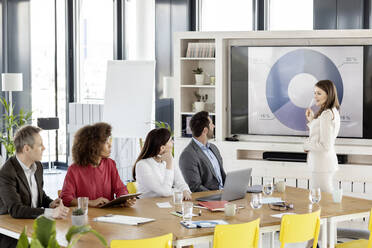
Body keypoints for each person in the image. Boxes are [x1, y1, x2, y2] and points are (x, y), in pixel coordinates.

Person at [0, 125, 69, 247]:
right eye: (40, 145)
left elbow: (40, 195)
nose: (44, 148)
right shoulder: (6, 172)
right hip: (13, 235)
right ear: (27, 149)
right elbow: (16, 210)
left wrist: (51, 203)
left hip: (33, 227)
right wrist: (51, 213)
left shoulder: (38, 167)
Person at [60, 122, 135, 208]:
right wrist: (90, 203)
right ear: (93, 145)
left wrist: (125, 199)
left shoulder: (110, 164)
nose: (110, 145)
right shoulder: (74, 169)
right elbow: (65, 199)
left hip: (109, 215)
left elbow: (120, 189)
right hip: (87, 217)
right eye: (106, 142)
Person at [133, 128, 191, 200]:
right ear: (162, 148)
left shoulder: (170, 159)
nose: (173, 142)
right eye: (170, 140)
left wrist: (185, 190)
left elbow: (181, 182)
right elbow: (165, 192)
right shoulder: (142, 165)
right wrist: (169, 165)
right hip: (148, 206)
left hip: (166, 203)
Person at [304, 80, 340, 193]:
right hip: (323, 164)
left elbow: (325, 145)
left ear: (328, 95)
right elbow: (320, 134)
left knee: (322, 200)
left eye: (319, 93)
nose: (315, 96)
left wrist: (307, 145)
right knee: (324, 199)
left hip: (321, 165)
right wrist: (312, 121)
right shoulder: (331, 111)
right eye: (314, 93)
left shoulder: (326, 114)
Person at [179, 111, 226, 192]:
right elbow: (195, 187)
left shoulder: (213, 148)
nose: (214, 126)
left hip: (224, 194)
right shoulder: (187, 155)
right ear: (205, 131)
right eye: (211, 124)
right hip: (209, 199)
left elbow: (222, 176)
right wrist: (216, 196)